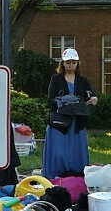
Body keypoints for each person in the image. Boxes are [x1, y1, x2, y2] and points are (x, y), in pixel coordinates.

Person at [42, 48, 98, 180]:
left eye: (73, 62)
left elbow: (91, 95)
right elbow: (51, 99)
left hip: (77, 122)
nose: (71, 65)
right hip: (59, 123)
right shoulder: (56, 79)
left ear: (78, 63)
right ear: (63, 64)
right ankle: (55, 176)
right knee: (58, 150)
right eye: (68, 63)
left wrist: (94, 99)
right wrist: (64, 103)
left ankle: (76, 176)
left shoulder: (83, 81)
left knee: (76, 149)